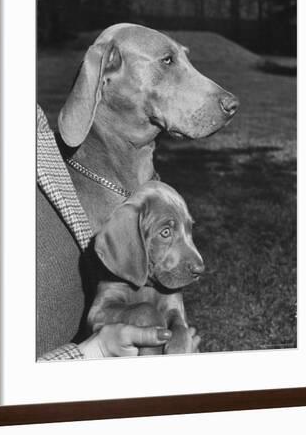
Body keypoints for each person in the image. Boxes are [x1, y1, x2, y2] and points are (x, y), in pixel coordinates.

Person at [36, 104, 199, 359]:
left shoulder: (163, 277)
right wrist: (142, 314)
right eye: (166, 233)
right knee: (146, 312)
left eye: (188, 231)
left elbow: (178, 320)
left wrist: (178, 339)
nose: (198, 263)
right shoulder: (120, 258)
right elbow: (98, 315)